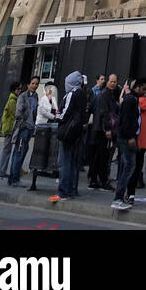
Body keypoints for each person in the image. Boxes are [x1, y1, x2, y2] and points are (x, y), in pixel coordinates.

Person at [52, 70, 89, 201]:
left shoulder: (71, 94)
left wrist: (57, 116)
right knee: (73, 162)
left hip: (67, 131)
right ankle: (72, 189)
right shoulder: (82, 94)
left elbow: (65, 112)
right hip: (78, 131)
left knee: (64, 162)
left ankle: (63, 191)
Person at [111, 80, 141, 212]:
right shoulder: (131, 101)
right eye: (143, 89)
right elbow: (128, 120)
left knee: (126, 166)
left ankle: (119, 197)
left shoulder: (128, 100)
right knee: (129, 166)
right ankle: (118, 198)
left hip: (123, 136)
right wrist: (131, 137)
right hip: (127, 137)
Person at [88, 72, 119, 188]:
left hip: (100, 128)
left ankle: (94, 180)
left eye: (115, 82)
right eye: (111, 81)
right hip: (102, 129)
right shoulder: (105, 95)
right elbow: (105, 113)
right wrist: (108, 128)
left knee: (99, 155)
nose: (113, 83)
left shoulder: (109, 94)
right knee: (102, 156)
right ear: (107, 82)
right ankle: (101, 180)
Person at [8, 76, 40, 186]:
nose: (35, 85)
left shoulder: (36, 96)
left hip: (30, 128)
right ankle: (15, 179)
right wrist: (24, 123)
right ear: (28, 85)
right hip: (23, 128)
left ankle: (12, 178)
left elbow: (35, 112)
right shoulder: (22, 96)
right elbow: (18, 113)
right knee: (19, 153)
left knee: (21, 152)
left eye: (36, 84)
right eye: (33, 83)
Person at [130, 80, 146, 197]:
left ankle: (131, 188)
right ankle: (137, 181)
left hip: (134, 137)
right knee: (140, 161)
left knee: (131, 164)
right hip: (145, 138)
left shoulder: (133, 103)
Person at [0, 80, 22, 179]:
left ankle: (2, 171)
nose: (20, 90)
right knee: (6, 151)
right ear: (15, 90)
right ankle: (2, 172)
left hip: (9, 128)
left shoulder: (13, 99)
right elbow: (13, 116)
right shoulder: (13, 101)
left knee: (7, 150)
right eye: (19, 89)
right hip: (10, 129)